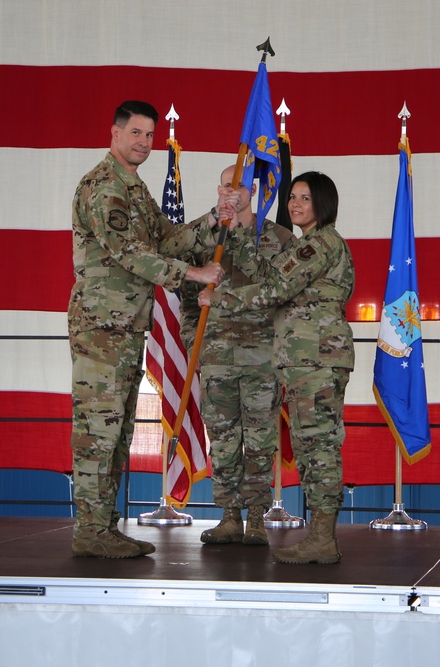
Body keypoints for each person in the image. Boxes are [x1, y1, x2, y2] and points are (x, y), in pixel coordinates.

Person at [69, 100, 226, 559]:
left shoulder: (133, 190)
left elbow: (167, 239)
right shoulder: (104, 189)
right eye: (135, 133)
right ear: (115, 133)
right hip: (101, 325)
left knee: (116, 432)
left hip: (122, 327)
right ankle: (89, 529)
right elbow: (131, 254)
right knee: (98, 429)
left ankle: (102, 526)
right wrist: (192, 275)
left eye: (149, 136)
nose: (143, 143)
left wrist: (216, 217)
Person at [199, 171, 354, 564]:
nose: (295, 204)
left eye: (305, 198)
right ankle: (321, 538)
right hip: (307, 358)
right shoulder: (311, 244)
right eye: (292, 198)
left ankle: (323, 540)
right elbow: (269, 275)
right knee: (311, 445)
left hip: (315, 358)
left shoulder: (317, 245)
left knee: (318, 447)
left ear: (323, 203)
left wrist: (218, 298)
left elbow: (274, 290)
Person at [180, 165, 295, 546]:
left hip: (262, 357)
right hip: (216, 357)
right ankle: (229, 515)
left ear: (256, 191)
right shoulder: (207, 238)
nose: (234, 191)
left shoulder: (278, 238)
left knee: (261, 440)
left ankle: (258, 517)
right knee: (224, 439)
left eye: (242, 185)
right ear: (219, 189)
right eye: (228, 184)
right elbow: (187, 296)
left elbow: (286, 297)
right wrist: (192, 344)